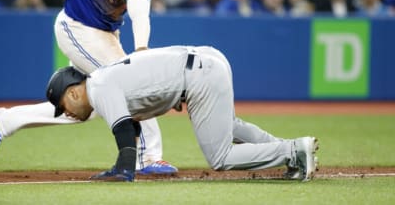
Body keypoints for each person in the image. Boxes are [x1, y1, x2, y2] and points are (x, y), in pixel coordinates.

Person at [0, 0, 178, 175]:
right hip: (74, 27)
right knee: (128, 85)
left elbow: (140, 14)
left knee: (87, 104)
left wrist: (141, 48)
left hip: (106, 36)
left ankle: (4, 121)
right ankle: (148, 156)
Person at [46, 45, 319, 182]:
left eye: (63, 107)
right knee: (230, 127)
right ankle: (293, 155)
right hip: (206, 61)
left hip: (197, 76)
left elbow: (124, 131)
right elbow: (132, 125)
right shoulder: (104, 80)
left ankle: (293, 151)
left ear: (72, 92)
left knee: (220, 157)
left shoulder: (97, 87)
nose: (66, 113)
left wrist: (123, 169)